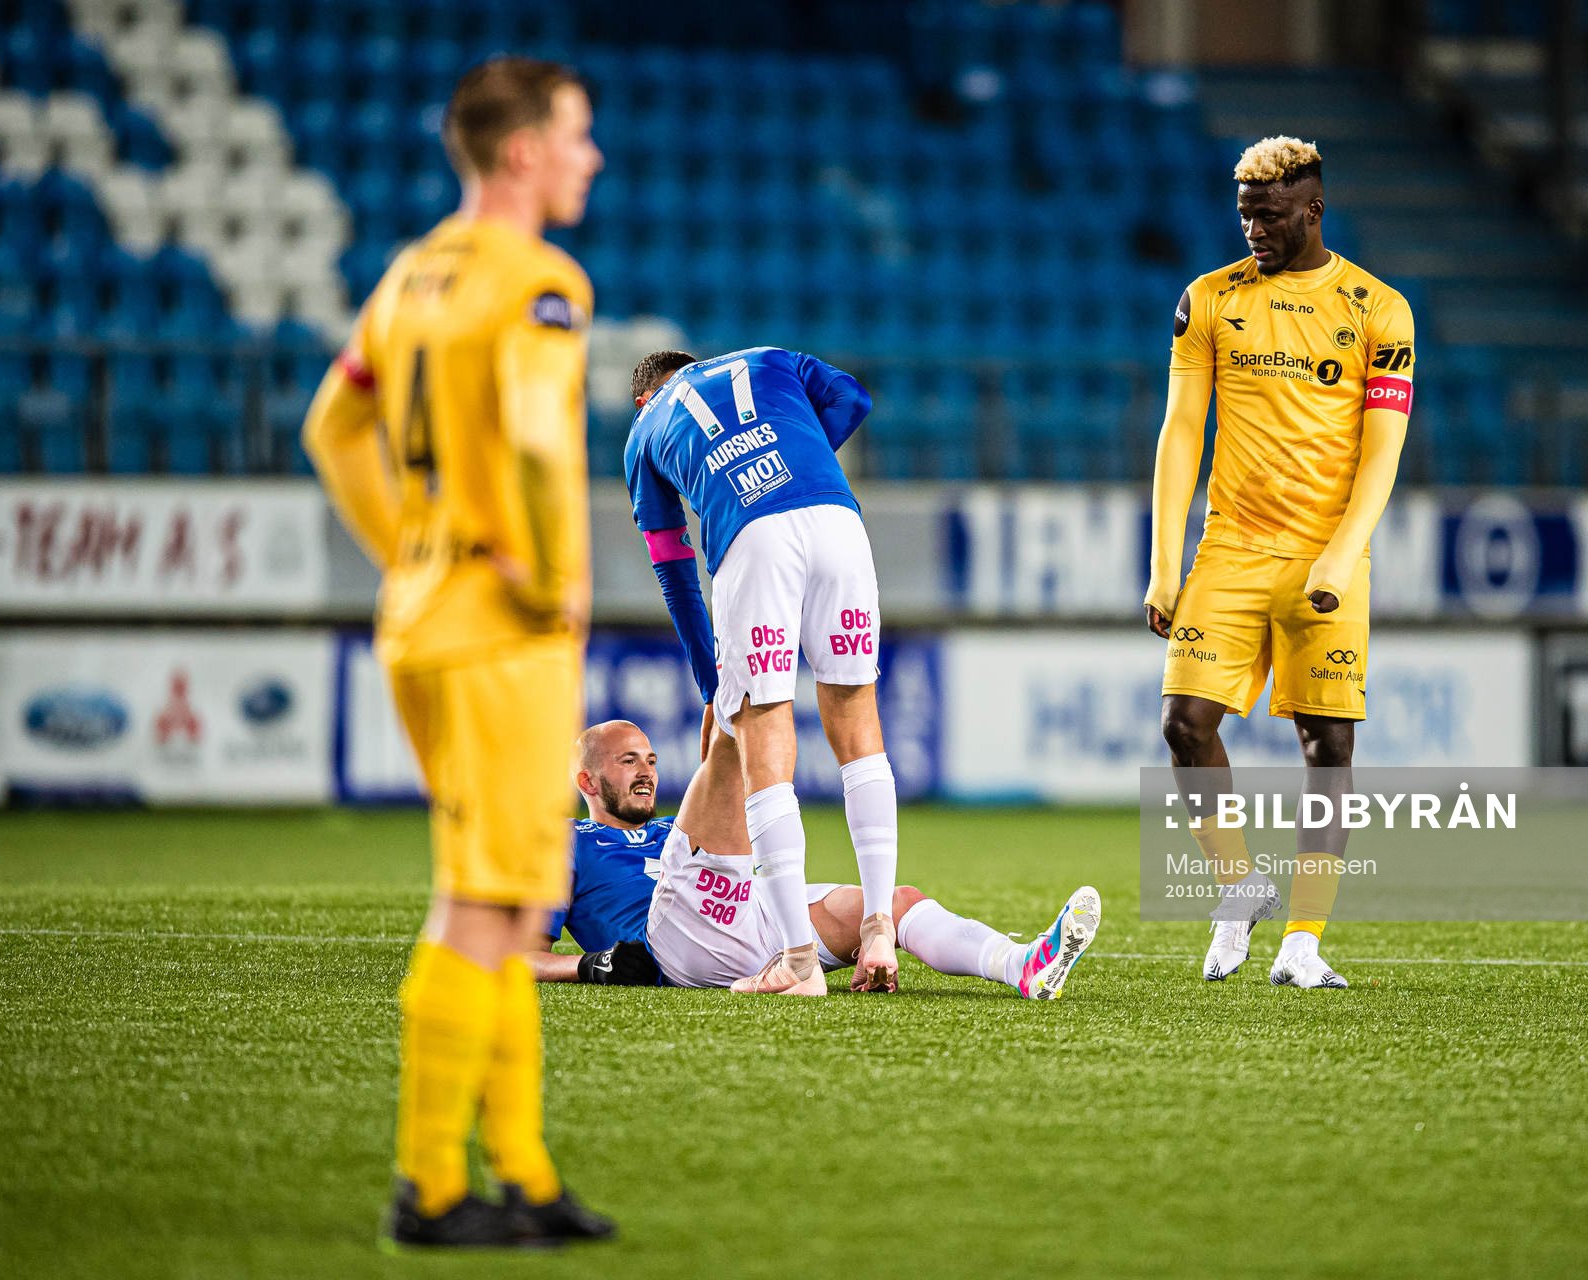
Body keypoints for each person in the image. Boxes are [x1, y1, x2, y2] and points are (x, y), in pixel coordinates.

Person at [303, 57, 612, 1249]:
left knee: (515, 897)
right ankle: (431, 1185)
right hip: (500, 630)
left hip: (427, 615)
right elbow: (538, 440)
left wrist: (409, 549)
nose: (590, 157)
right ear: (522, 149)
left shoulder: (409, 275)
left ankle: (524, 1173)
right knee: (487, 907)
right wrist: (549, 575)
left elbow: (334, 424)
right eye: (576, 135)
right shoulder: (539, 283)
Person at [1144, 136, 1416, 990]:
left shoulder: (1380, 310)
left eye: (1269, 215)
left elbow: (1382, 454)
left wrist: (1341, 555)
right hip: (1229, 546)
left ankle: (1303, 941)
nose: (1254, 229)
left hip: (1325, 557)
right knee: (1185, 723)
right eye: (1244, 215)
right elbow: (1182, 430)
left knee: (1326, 745)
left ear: (1313, 210)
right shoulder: (1210, 300)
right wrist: (1162, 565)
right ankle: (1239, 889)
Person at [623, 346, 899, 998]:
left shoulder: (645, 432)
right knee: (860, 727)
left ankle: (798, 963)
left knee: (763, 739)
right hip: (836, 517)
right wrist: (795, 455)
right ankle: (880, 925)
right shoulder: (771, 358)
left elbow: (674, 567)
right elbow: (852, 398)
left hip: (754, 532)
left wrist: (712, 683)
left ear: (643, 398)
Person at [528, 720, 1100, 1001]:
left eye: (651, 759)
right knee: (735, 733)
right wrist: (587, 966)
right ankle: (753, 642)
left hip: (748, 914)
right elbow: (517, 956)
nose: (647, 771)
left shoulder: (671, 834)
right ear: (587, 779)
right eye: (629, 762)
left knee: (893, 906)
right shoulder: (566, 842)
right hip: (672, 945)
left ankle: (1022, 965)